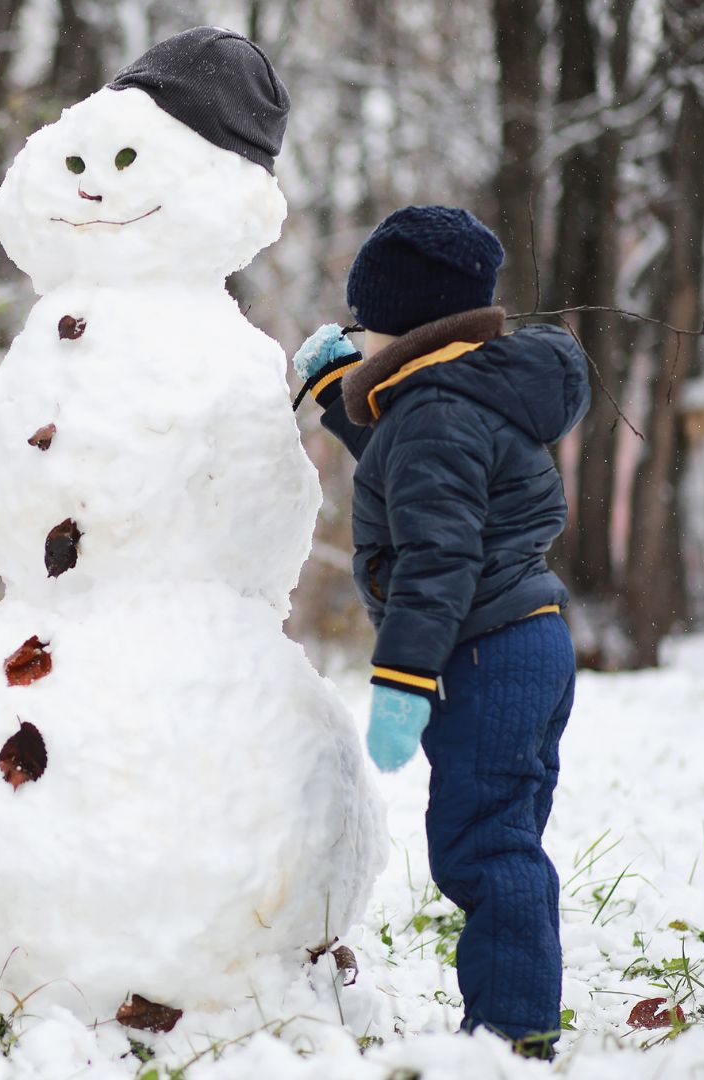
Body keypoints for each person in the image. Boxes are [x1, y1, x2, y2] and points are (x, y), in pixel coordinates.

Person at [289, 205, 589, 1056]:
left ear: (407, 325)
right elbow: (415, 462)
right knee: (506, 832)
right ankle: (517, 1008)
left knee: (482, 845)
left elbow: (438, 552)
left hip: (483, 647)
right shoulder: (469, 392)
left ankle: (511, 1032)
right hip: (529, 636)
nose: (359, 334)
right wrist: (338, 395)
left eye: (368, 323)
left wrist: (403, 679)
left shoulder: (436, 415)